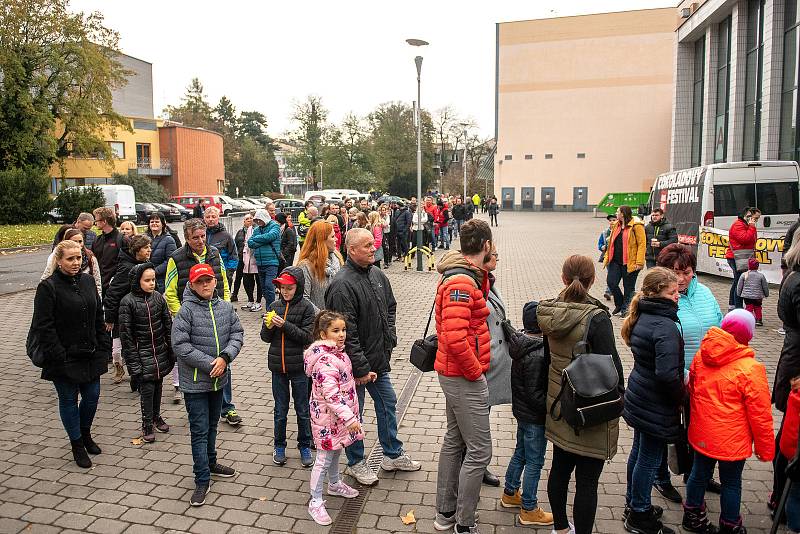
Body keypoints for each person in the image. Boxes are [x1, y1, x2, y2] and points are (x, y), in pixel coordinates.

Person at [324, 228, 420, 486]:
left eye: (372, 244)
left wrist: (391, 335)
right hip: (353, 366)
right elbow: (346, 333)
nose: (372, 248)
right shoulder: (342, 285)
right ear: (352, 250)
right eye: (366, 246)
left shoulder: (377, 274)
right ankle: (356, 462)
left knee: (388, 404)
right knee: (355, 414)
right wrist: (361, 369)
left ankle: (392, 454)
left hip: (378, 359)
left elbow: (390, 306)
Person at [537, 254, 624, 534]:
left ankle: (560, 528)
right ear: (593, 280)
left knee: (560, 469)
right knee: (587, 480)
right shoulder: (597, 319)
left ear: (563, 279)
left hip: (560, 403)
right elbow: (613, 369)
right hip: (590, 406)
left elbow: (549, 357)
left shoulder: (551, 312)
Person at [683, 309, 774, 534]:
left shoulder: (701, 356)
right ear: (749, 335)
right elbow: (760, 415)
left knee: (698, 473)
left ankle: (692, 515)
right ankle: (730, 524)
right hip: (732, 440)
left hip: (702, 433)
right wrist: (765, 450)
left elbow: (691, 389)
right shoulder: (751, 369)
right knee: (731, 482)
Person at [431, 220, 494, 534]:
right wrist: (475, 374)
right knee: (480, 450)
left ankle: (445, 514)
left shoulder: (465, 277)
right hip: (462, 376)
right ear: (485, 245)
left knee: (455, 442)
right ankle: (464, 522)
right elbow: (455, 339)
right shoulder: (462, 283)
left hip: (455, 374)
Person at [27, 240, 110, 468]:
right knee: (69, 400)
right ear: (59, 260)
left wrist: (103, 346)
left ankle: (85, 434)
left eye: (79, 258)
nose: (75, 263)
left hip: (90, 352)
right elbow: (44, 325)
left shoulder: (87, 281)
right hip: (63, 356)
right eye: (70, 259)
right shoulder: (48, 287)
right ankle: (76, 444)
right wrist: (59, 354)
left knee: (92, 397)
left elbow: (97, 316)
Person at [654, 243, 724, 501]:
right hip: (674, 377)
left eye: (687, 271)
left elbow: (719, 327)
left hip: (706, 379)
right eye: (675, 272)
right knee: (667, 430)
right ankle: (660, 477)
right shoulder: (660, 298)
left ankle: (698, 475)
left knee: (702, 429)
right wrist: (682, 374)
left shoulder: (705, 293)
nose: (681, 279)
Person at [172, 263, 243, 506]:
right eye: (199, 281)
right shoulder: (186, 311)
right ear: (192, 285)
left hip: (218, 381)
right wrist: (210, 363)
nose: (205, 285)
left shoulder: (225, 307)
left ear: (215, 281)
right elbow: (180, 345)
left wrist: (225, 358)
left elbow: (237, 333)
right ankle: (202, 478)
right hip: (195, 385)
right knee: (199, 431)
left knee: (213, 425)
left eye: (208, 280)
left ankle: (211, 463)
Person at [620, 268, 685, 534]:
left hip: (640, 394)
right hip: (655, 402)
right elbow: (668, 374)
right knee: (648, 458)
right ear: (657, 292)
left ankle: (633, 502)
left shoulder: (644, 315)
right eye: (672, 292)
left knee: (639, 452)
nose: (677, 297)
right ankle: (640, 514)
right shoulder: (664, 326)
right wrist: (682, 398)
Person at [304, 311, 363, 525]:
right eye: (335, 331)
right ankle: (316, 500)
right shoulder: (325, 361)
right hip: (328, 420)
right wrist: (350, 419)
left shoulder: (340, 354)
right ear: (322, 334)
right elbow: (332, 396)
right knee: (323, 458)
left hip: (337, 418)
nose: (341, 335)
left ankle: (335, 483)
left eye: (343, 330)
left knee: (336, 450)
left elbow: (343, 384)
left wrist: (358, 379)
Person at [164, 218, 231, 408]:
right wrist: (181, 314)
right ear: (187, 238)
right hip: (191, 320)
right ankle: (198, 401)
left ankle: (227, 407)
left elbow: (224, 282)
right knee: (198, 361)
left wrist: (225, 309)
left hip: (217, 315)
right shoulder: (176, 258)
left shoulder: (214, 253)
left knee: (223, 359)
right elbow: (170, 292)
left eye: (203, 236)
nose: (200, 241)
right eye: (195, 238)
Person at [500, 301, 554, 527]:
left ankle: (510, 493)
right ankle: (529, 508)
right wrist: (551, 409)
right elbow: (535, 394)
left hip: (523, 414)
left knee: (520, 453)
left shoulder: (522, 343)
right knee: (535, 461)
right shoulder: (538, 352)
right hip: (535, 418)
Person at [261, 267, 315, 467]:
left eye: (289, 288)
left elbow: (307, 337)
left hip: (299, 367)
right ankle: (279, 445)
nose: (285, 291)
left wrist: (284, 325)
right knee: (280, 410)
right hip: (277, 367)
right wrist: (268, 327)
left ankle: (304, 445)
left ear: (298, 287)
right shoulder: (274, 305)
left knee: (302, 409)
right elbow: (265, 338)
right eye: (282, 287)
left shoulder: (307, 308)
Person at [118, 263, 174, 443]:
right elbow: (126, 336)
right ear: (137, 281)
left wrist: (171, 349)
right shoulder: (128, 302)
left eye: (154, 280)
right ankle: (146, 423)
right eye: (147, 280)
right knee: (147, 389)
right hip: (141, 354)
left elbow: (168, 325)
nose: (152, 283)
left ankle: (156, 416)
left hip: (159, 351)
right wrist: (133, 362)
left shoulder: (158, 298)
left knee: (158, 385)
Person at [772, 235, 800, 513]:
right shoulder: (798, 280)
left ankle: (780, 495)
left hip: (791, 359)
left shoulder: (792, 277)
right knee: (791, 438)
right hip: (796, 365)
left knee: (789, 434)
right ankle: (783, 497)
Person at [103, 234, 153, 385]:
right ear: (137, 250)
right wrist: (110, 318)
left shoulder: (145, 264)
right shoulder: (127, 268)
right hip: (124, 315)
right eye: (146, 248)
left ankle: (136, 378)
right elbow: (113, 293)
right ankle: (126, 371)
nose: (149, 250)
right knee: (122, 349)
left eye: (150, 247)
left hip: (140, 313)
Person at [603, 205, 646, 316]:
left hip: (630, 262)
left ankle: (626, 310)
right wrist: (607, 257)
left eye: (618, 212)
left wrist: (639, 262)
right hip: (615, 261)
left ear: (623, 213)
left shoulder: (636, 226)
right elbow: (611, 242)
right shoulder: (616, 225)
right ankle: (620, 303)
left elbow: (642, 244)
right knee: (611, 283)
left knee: (629, 288)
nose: (616, 214)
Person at [298, 221, 344, 313]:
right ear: (321, 240)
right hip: (318, 322)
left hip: (338, 319)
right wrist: (323, 317)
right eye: (332, 236)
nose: (336, 239)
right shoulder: (306, 266)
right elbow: (303, 298)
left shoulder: (337, 258)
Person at [42, 228, 102, 296]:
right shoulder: (56, 257)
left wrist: (98, 299)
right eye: (74, 241)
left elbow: (97, 283)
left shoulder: (90, 257)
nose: (78, 244)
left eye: (80, 241)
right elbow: (46, 276)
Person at [725, 207, 760, 310]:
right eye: (755, 218)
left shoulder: (746, 225)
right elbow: (745, 239)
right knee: (739, 282)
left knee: (737, 281)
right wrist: (752, 226)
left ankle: (733, 305)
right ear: (747, 216)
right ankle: (738, 307)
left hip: (743, 256)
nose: (755, 221)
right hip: (736, 258)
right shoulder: (738, 225)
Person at [247, 209, 282, 310]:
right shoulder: (258, 229)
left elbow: (271, 236)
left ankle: (271, 310)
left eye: (259, 220)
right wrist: (263, 240)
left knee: (269, 287)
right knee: (264, 288)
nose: (258, 222)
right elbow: (250, 242)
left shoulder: (274, 226)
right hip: (260, 263)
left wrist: (258, 239)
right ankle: (269, 308)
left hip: (272, 261)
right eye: (256, 220)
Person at [91, 207, 124, 295]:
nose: (95, 223)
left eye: (96, 220)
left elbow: (125, 265)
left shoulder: (122, 239)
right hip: (99, 286)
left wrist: (114, 282)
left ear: (104, 221)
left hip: (115, 288)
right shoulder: (97, 241)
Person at [204, 207, 238, 287]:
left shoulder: (226, 236)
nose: (210, 219)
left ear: (218, 218)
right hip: (205, 275)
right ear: (204, 218)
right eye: (208, 217)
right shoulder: (201, 234)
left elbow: (234, 256)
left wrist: (229, 272)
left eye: (213, 216)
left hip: (222, 274)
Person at [146, 212, 177, 294]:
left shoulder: (169, 240)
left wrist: (154, 272)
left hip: (161, 279)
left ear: (163, 224)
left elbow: (170, 261)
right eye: (152, 222)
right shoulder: (144, 238)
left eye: (157, 221)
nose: (154, 224)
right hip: (145, 277)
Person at [736, 257, 769, 326]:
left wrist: (738, 294)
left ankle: (748, 320)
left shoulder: (744, 275)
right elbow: (765, 286)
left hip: (747, 296)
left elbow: (739, 286)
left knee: (749, 307)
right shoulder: (761, 276)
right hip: (758, 296)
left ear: (748, 266)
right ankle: (759, 320)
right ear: (757, 266)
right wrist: (766, 294)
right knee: (758, 307)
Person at [231, 213, 252, 304]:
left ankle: (250, 297)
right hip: (240, 258)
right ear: (244, 222)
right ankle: (234, 294)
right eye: (247, 219)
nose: (249, 220)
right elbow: (234, 245)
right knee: (238, 277)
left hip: (250, 259)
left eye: (251, 218)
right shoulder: (240, 232)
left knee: (249, 279)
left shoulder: (255, 231)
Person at [598, 214, 616, 301]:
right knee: (611, 274)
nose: (612, 222)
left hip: (618, 257)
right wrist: (602, 247)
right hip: (608, 257)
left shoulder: (620, 231)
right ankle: (608, 292)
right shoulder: (605, 232)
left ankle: (611, 291)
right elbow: (600, 243)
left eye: (614, 220)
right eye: (610, 220)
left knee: (614, 275)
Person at [379, 203, 392, 268]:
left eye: (385, 210)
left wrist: (382, 223)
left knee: (386, 247)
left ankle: (386, 262)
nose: (383, 211)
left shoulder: (387, 216)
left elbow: (386, 224)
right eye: (382, 210)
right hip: (379, 232)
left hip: (386, 232)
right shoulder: (378, 216)